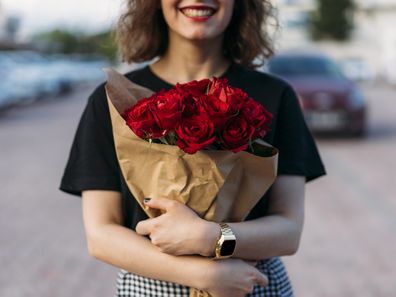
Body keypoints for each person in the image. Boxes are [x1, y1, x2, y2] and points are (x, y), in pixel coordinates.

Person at [60, 0, 326, 296]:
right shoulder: (113, 100)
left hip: (250, 283)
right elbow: (101, 235)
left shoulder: (276, 95)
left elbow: (289, 231)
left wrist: (211, 237)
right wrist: (203, 274)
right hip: (151, 285)